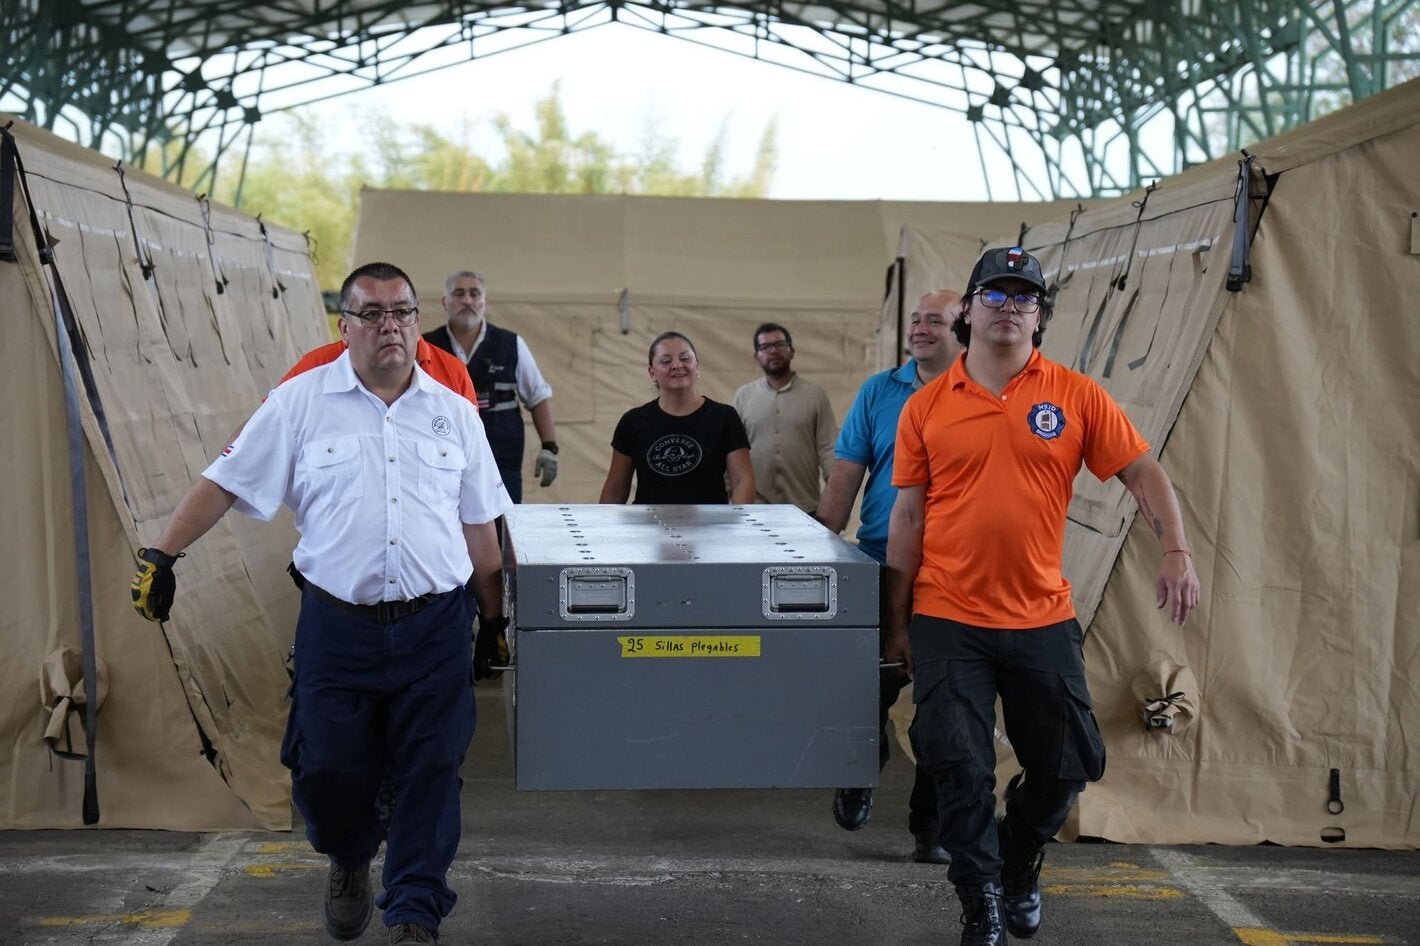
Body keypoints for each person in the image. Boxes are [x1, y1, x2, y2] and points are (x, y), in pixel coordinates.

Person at [130, 261, 513, 946]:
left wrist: (493, 619)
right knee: (328, 770)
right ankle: (347, 854)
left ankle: (415, 913)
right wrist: (163, 555)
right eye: (372, 313)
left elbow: (480, 525)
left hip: (435, 626)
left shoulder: (454, 413)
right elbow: (225, 480)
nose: (389, 325)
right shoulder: (300, 401)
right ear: (347, 324)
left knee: (432, 768)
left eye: (401, 311)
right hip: (338, 627)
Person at [884, 246, 1201, 946]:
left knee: (1067, 766)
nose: (1007, 308)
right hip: (947, 612)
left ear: (1040, 317)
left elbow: (1144, 473)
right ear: (967, 311)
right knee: (958, 764)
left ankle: (1020, 856)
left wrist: (1176, 549)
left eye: (1023, 298)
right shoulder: (928, 407)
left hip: (1040, 614)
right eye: (993, 296)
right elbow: (907, 518)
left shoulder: (1076, 395)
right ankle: (981, 904)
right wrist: (895, 624)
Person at [813, 290, 964, 865]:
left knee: (943, 709)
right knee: (864, 692)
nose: (921, 329)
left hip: (953, 573)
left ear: (964, 327)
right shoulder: (880, 391)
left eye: (936, 321)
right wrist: (819, 545)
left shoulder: (982, 391)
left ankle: (931, 828)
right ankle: (859, 766)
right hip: (879, 561)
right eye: (916, 321)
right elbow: (846, 475)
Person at [424, 270, 558, 502]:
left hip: (502, 459)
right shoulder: (425, 347)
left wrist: (549, 447)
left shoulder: (511, 344)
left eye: (474, 294)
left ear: (484, 301)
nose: (467, 300)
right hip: (440, 459)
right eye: (459, 293)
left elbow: (538, 397)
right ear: (445, 302)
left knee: (503, 526)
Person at [599, 330, 755, 505]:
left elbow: (742, 481)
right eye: (666, 361)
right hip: (649, 528)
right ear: (652, 373)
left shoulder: (725, 417)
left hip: (710, 528)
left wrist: (740, 527)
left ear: (697, 366)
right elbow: (615, 489)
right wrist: (603, 529)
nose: (677, 365)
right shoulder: (633, 421)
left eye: (685, 358)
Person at [733, 322, 837, 511]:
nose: (773, 351)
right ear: (756, 357)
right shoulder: (744, 396)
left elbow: (828, 450)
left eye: (780, 345)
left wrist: (836, 503)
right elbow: (733, 454)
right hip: (755, 509)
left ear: (792, 351)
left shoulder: (814, 395)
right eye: (765, 347)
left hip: (804, 508)